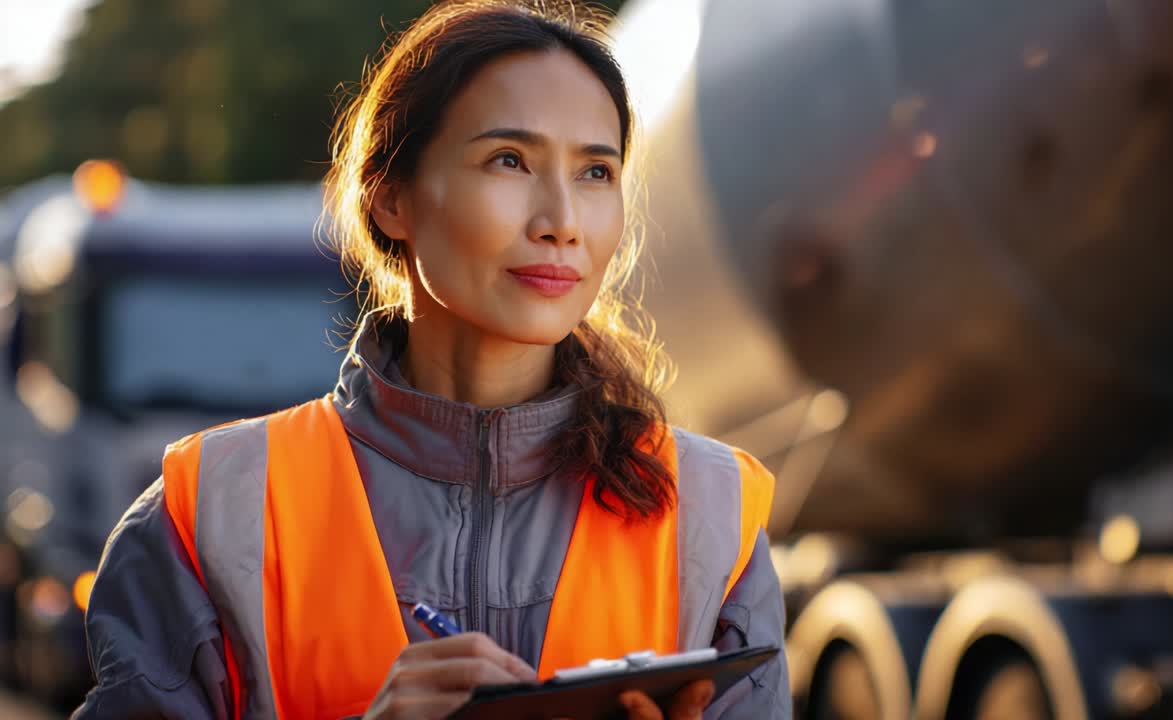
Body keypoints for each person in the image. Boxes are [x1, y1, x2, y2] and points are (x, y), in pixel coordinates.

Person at [72, 1, 789, 718]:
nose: (563, 221)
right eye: (509, 160)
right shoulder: (205, 514)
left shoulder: (711, 514)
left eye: (596, 172)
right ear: (391, 199)